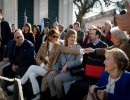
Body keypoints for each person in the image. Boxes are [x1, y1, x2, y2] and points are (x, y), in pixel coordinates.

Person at [7, 29, 87, 100]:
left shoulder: (59, 46)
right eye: (54, 37)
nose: (56, 38)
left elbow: (71, 51)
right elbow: (37, 57)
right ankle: (37, 95)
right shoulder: (44, 44)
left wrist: (83, 51)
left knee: (31, 67)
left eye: (57, 36)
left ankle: (19, 83)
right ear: (49, 37)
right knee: (31, 75)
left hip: (50, 68)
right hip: (42, 67)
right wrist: (42, 65)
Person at [66, 28, 108, 100]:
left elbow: (105, 62)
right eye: (89, 33)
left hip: (98, 76)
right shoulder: (87, 45)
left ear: (97, 35)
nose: (89, 35)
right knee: (74, 86)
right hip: (86, 74)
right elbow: (84, 60)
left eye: (92, 34)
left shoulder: (104, 46)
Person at [46, 29, 83, 99]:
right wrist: (54, 69)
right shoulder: (63, 47)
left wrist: (67, 65)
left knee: (57, 79)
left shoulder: (78, 47)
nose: (73, 38)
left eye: (75, 37)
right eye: (71, 36)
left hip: (73, 72)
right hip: (63, 70)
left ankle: (60, 96)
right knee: (49, 77)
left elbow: (79, 61)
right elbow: (59, 61)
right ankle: (54, 95)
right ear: (67, 37)